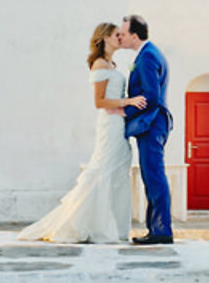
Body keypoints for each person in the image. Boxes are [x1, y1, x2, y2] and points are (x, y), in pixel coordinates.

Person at [18, 22, 146, 243]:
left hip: (118, 123)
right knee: (103, 170)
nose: (120, 38)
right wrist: (128, 101)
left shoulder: (111, 64)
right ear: (105, 38)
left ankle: (113, 226)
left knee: (117, 172)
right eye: (116, 35)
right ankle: (93, 226)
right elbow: (99, 102)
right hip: (110, 126)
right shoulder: (99, 64)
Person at [119, 14, 174, 244]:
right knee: (151, 176)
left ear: (134, 35)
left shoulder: (148, 56)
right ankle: (157, 229)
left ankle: (161, 231)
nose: (120, 37)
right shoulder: (148, 53)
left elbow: (150, 96)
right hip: (152, 123)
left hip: (152, 124)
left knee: (154, 176)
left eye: (123, 33)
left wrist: (125, 113)